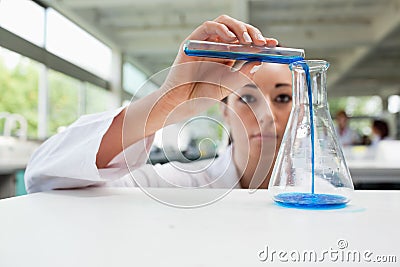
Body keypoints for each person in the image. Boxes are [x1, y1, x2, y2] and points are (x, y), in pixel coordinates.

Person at [25, 15, 293, 193]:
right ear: (224, 110)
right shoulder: (179, 185)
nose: (266, 114)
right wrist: (169, 101)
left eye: (283, 98)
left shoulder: (329, 189)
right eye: (247, 98)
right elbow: (46, 178)